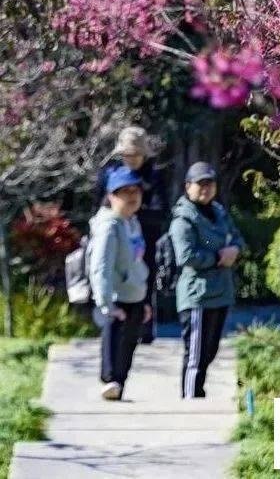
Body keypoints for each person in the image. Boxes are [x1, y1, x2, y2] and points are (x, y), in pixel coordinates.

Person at [169, 161, 245, 399]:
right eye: (200, 183)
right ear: (188, 186)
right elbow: (186, 255)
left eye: (210, 183)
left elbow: (237, 238)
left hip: (221, 292)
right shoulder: (183, 219)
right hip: (197, 295)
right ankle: (191, 402)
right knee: (195, 355)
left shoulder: (220, 212)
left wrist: (234, 250)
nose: (206, 188)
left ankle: (197, 395)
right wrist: (217, 256)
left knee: (210, 352)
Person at [96, 126, 168, 342]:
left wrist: (133, 213)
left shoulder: (153, 176)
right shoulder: (110, 173)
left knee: (144, 279)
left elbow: (160, 210)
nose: (132, 159)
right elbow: (100, 206)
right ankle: (113, 324)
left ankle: (144, 328)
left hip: (145, 238)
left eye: (136, 154)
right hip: (116, 234)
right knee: (112, 275)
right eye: (127, 154)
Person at [88, 165, 151, 401]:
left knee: (129, 348)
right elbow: (100, 267)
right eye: (126, 192)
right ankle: (109, 382)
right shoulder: (109, 226)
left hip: (134, 295)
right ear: (111, 196)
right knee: (114, 344)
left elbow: (137, 262)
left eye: (136, 191)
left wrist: (144, 299)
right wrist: (106, 304)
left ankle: (118, 385)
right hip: (115, 297)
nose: (133, 197)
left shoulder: (132, 222)